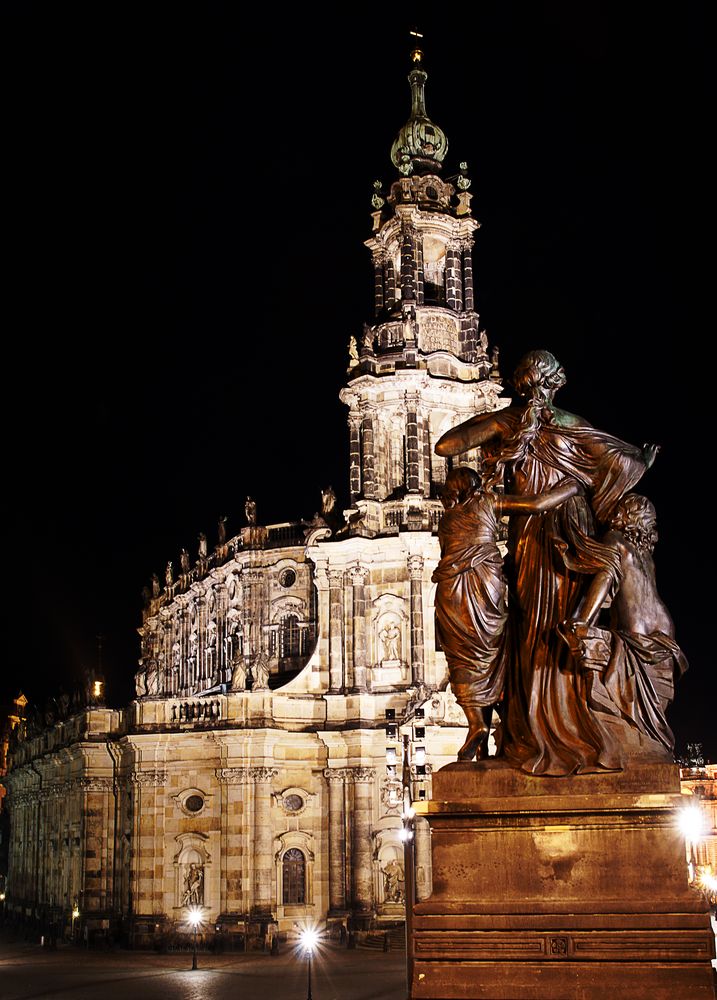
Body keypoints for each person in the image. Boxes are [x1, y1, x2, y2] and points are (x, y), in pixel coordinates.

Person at [435, 349, 658, 775]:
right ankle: (553, 721)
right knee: (539, 623)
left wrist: (505, 421)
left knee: (535, 624)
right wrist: (639, 460)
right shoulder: (565, 423)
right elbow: (620, 461)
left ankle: (541, 725)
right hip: (549, 528)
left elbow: (447, 444)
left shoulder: (519, 422)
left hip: (543, 531)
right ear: (553, 382)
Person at [433, 465, 582, 761]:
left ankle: (477, 725)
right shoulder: (488, 503)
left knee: (462, 658)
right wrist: (572, 487)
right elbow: (537, 504)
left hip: (451, 593)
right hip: (485, 586)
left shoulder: (447, 520)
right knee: (496, 652)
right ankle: (497, 722)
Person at [558, 494, 688, 757]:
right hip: (665, 638)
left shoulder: (615, 542)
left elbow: (605, 578)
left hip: (637, 635)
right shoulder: (644, 553)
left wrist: (582, 619)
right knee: (648, 717)